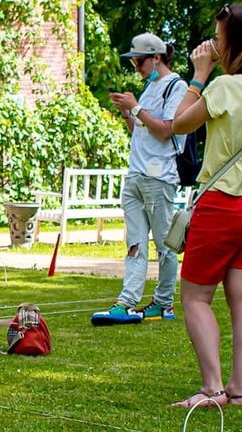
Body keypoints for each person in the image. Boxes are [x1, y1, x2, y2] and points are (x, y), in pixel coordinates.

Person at [167, 3, 242, 410]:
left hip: (223, 204)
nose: (215, 45)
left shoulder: (223, 87)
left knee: (195, 298)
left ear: (234, 42)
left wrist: (199, 75)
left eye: (220, 39)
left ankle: (212, 388)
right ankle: (237, 390)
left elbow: (178, 123)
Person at [104, 34, 189, 322]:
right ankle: (126, 302)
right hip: (136, 174)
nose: (136, 67)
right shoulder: (150, 86)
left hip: (159, 176)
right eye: (134, 62)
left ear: (157, 57)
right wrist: (129, 113)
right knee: (135, 243)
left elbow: (167, 130)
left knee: (165, 244)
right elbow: (142, 132)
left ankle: (164, 303)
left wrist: (137, 108)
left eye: (139, 61)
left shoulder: (178, 87)